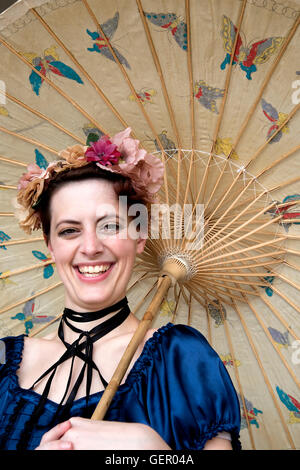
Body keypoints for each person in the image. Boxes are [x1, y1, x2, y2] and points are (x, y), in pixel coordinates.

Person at [0, 128, 241, 450]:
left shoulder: (182, 360)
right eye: (69, 230)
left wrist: (152, 450)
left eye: (110, 226)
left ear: (139, 238)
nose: (90, 247)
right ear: (50, 246)